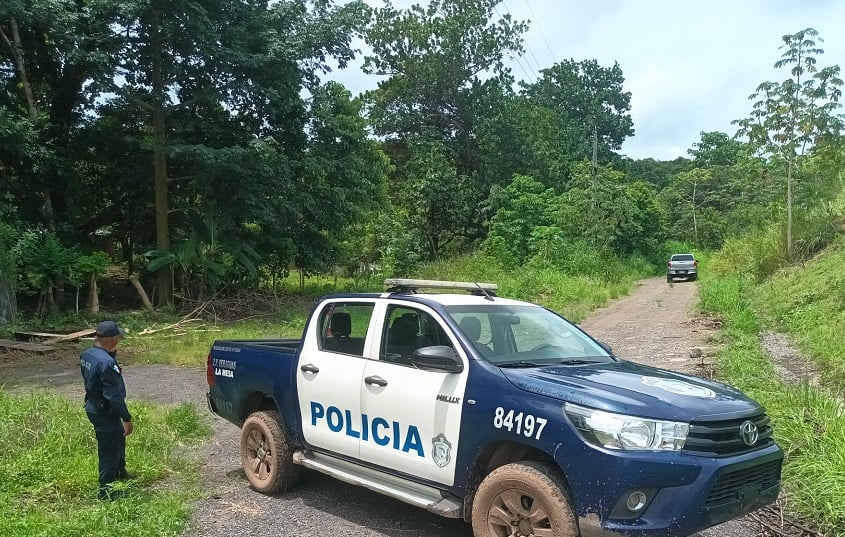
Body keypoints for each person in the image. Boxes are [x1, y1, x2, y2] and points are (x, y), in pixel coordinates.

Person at [80, 320, 134, 500]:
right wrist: (126, 418)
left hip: (94, 406)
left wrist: (113, 366)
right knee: (109, 449)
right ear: (113, 338)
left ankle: (120, 472)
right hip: (105, 410)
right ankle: (106, 491)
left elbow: (94, 378)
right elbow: (114, 396)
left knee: (118, 438)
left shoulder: (89, 354)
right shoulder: (106, 363)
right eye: (117, 336)